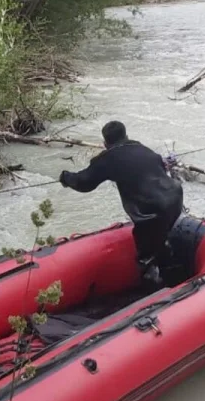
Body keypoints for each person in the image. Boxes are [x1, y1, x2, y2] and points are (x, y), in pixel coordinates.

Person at [58, 121, 184, 287]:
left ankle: (159, 294)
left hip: (151, 210)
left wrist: (65, 177)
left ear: (105, 143)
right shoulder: (144, 149)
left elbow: (84, 183)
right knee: (161, 241)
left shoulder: (108, 158)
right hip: (174, 198)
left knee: (147, 257)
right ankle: (179, 276)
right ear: (126, 135)